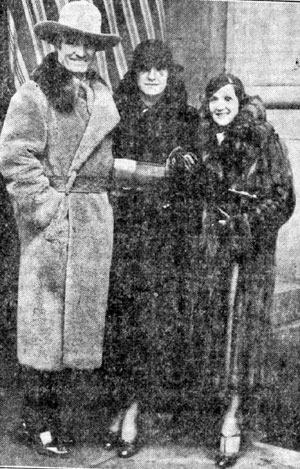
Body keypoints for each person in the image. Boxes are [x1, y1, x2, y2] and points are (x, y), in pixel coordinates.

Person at [0, 0, 121, 457]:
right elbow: (15, 159)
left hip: (91, 224)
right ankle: (38, 422)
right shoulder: (34, 94)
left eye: (88, 45)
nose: (79, 52)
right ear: (56, 42)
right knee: (44, 329)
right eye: (72, 41)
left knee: (79, 331)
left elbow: (103, 161)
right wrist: (47, 209)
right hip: (51, 227)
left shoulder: (100, 94)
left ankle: (65, 422)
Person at [183, 73, 295, 467]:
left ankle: (232, 417)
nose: (220, 107)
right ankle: (220, 412)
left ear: (240, 100)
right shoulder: (199, 138)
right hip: (211, 252)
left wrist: (243, 225)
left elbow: (284, 197)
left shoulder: (263, 137)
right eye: (213, 99)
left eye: (228, 99)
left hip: (249, 256)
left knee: (241, 337)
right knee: (215, 333)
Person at [102, 39, 199, 458]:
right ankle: (119, 403)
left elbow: (194, 180)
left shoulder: (186, 117)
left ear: (170, 74)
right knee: (120, 323)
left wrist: (170, 177)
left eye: (161, 68)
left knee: (150, 327)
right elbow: (105, 166)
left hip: (164, 238)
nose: (154, 76)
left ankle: (134, 413)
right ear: (135, 74)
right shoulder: (117, 114)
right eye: (146, 69)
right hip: (122, 233)